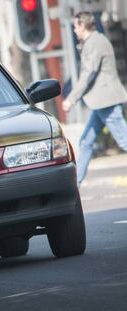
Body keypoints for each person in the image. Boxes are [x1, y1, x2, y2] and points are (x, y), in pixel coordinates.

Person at [62, 11, 127, 186]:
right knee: (85, 142)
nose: (75, 30)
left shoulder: (95, 43)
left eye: (76, 27)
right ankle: (75, 184)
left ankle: (75, 182)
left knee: (124, 139)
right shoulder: (94, 41)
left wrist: (71, 99)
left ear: (83, 26)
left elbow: (88, 74)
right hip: (100, 101)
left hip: (106, 100)